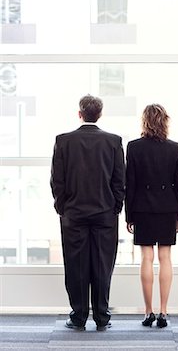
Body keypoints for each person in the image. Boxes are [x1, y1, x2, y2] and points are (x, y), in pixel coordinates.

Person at [50, 95, 125, 331]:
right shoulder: (113, 141)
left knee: (76, 266)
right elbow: (119, 180)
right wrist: (116, 207)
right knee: (103, 265)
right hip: (105, 213)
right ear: (99, 114)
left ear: (79, 113)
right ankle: (102, 316)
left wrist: (62, 207)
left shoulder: (63, 141)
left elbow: (56, 181)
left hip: (73, 214)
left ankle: (79, 316)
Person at [125, 104, 178, 328]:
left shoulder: (133, 147)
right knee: (166, 257)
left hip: (142, 208)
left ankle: (148, 311)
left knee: (147, 258)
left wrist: (129, 215)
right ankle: (164, 311)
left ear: (144, 121)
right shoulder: (174, 148)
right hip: (168, 207)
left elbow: (129, 184)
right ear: (164, 121)